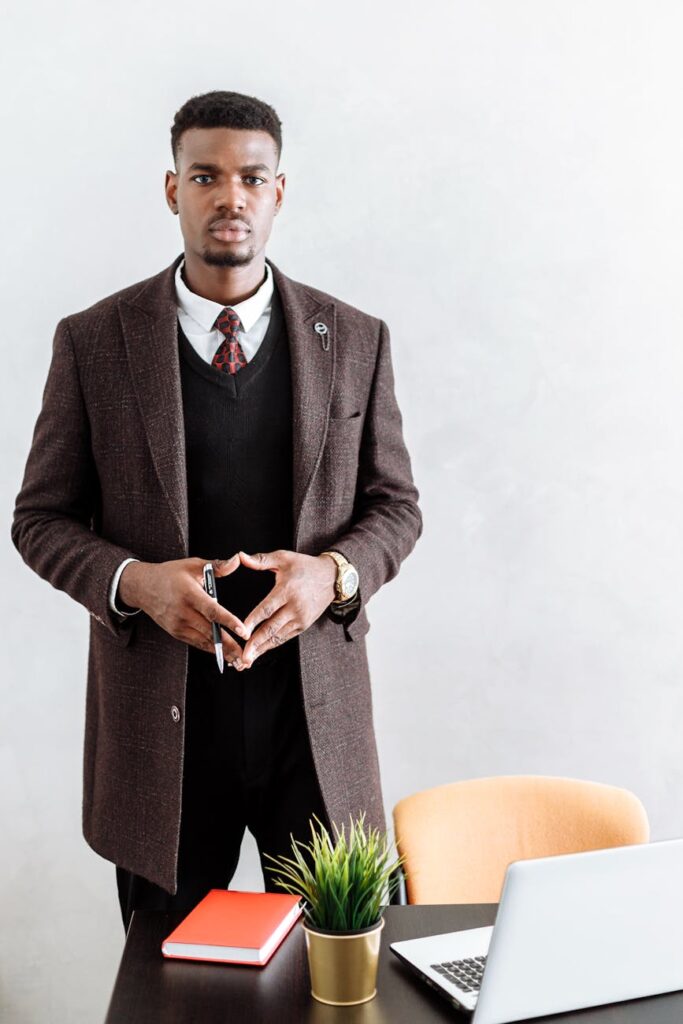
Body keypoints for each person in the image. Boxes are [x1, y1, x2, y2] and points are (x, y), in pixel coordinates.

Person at [11, 90, 422, 932]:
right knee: (167, 983)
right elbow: (41, 518)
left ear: (278, 192)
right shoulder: (93, 341)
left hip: (313, 728)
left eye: (250, 177)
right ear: (173, 190)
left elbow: (395, 506)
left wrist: (333, 575)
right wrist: (135, 583)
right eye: (206, 175)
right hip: (162, 732)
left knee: (336, 978)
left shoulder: (355, 338)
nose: (229, 196)